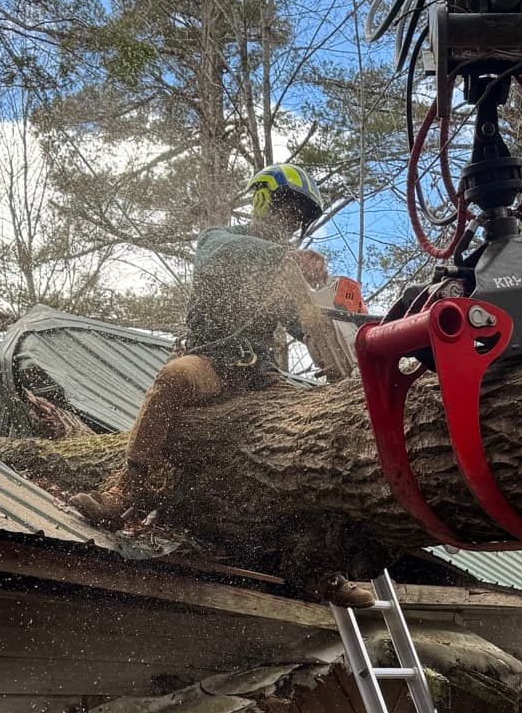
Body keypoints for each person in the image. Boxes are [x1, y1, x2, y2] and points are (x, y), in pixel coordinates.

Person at [72, 163, 348, 527]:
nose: (290, 221)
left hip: (260, 378)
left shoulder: (283, 273)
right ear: (264, 201)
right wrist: (284, 259)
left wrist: (340, 341)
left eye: (297, 217)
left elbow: (308, 326)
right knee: (173, 377)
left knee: (313, 420)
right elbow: (217, 251)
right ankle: (126, 487)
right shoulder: (218, 240)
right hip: (212, 365)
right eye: (286, 209)